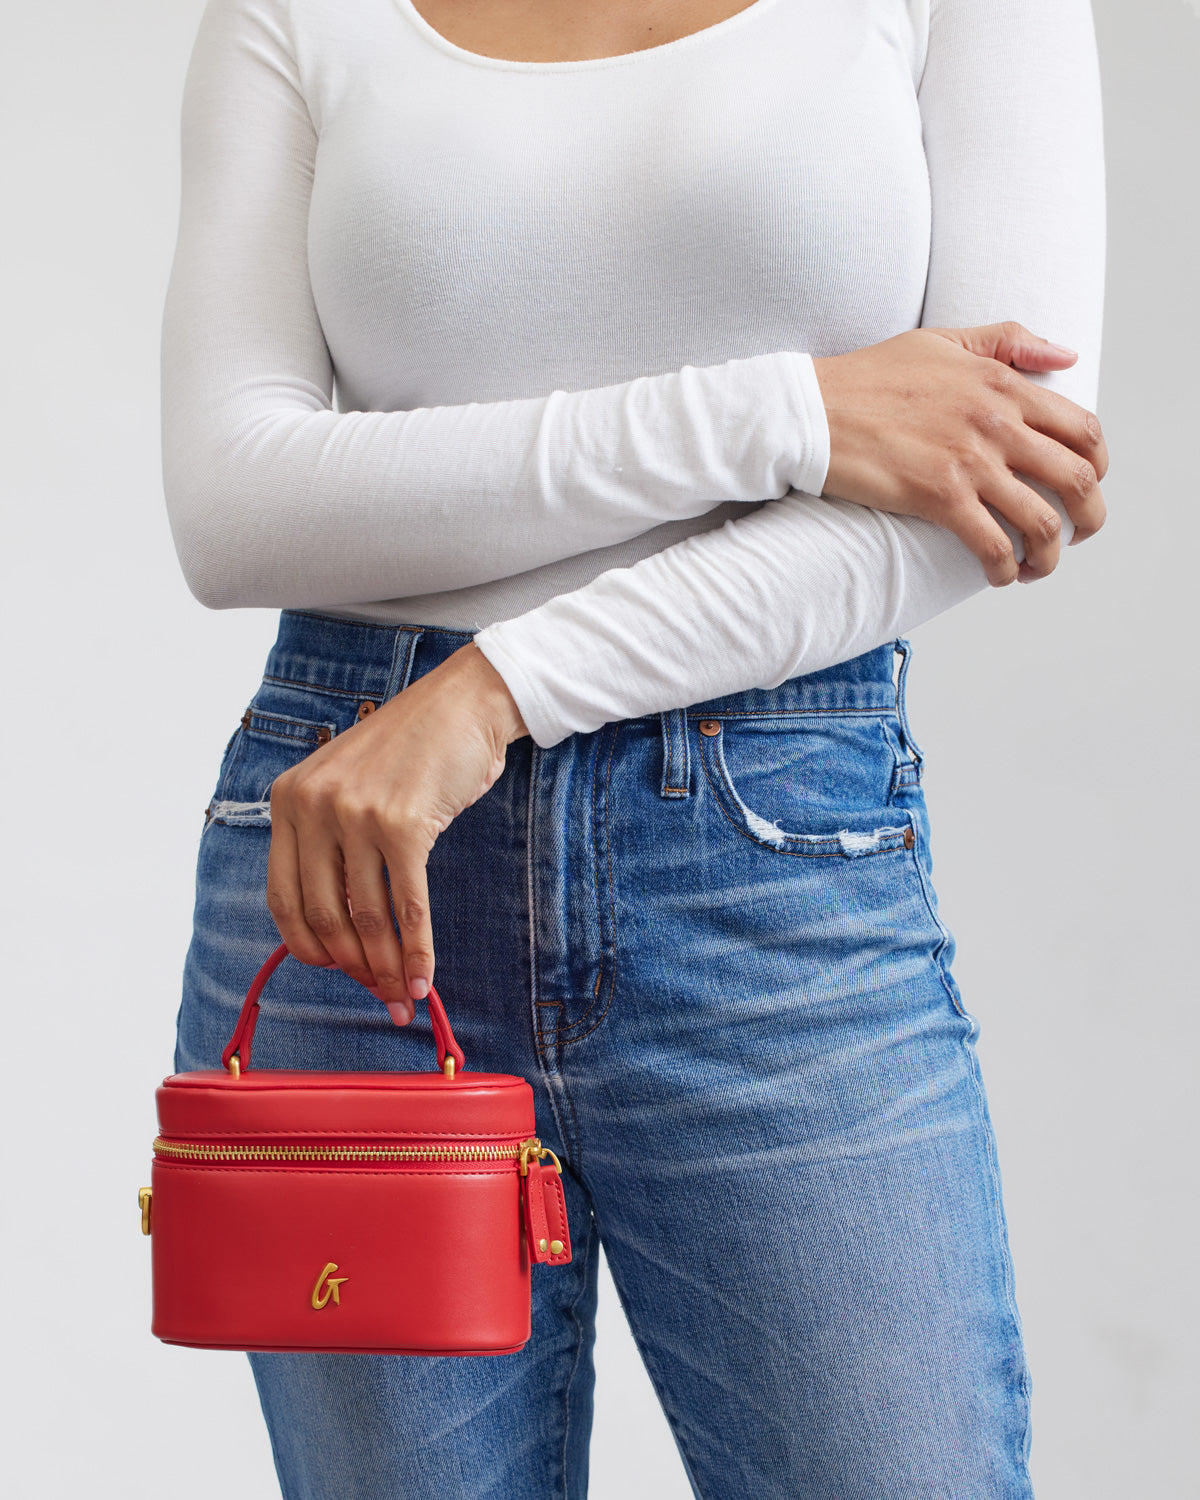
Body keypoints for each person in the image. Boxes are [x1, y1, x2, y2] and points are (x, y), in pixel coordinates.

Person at [160, 0, 1108, 1495]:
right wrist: (792, 413)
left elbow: (990, 481)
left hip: (762, 871)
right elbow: (237, 503)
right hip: (357, 880)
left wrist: (497, 687)